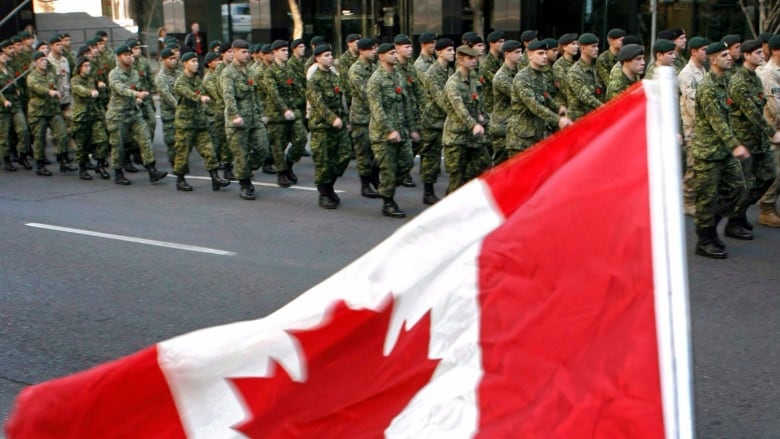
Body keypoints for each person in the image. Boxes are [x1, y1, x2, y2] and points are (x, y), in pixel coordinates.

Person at [690, 42, 748, 259]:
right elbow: (718, 122)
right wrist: (736, 145)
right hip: (708, 152)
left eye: (728, 54)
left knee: (737, 188)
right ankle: (704, 239)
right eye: (724, 55)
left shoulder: (727, 81)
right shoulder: (707, 87)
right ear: (713, 60)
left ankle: (711, 226)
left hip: (724, 149)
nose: (729, 58)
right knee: (706, 197)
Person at [726, 39, 780, 237]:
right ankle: (733, 221)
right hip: (743, 139)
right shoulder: (739, 81)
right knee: (743, 183)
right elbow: (753, 113)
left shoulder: (754, 78)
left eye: (761, 52)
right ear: (747, 56)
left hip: (757, 138)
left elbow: (761, 104)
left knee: (768, 176)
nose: (761, 55)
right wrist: (772, 132)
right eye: (756, 53)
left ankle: (739, 213)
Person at [367, 43, 418, 218]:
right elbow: (377, 109)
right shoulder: (376, 80)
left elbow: (406, 104)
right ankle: (388, 202)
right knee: (389, 169)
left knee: (407, 163)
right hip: (383, 134)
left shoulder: (398, 76)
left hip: (401, 130)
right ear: (381, 56)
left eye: (396, 53)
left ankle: (381, 183)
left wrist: (412, 129)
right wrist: (389, 130)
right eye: (391, 53)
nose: (396, 56)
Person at [105, 44, 167, 185]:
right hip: (118, 115)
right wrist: (136, 94)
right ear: (118, 57)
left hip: (133, 113)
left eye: (130, 54)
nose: (129, 57)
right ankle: (118, 173)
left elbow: (137, 86)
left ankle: (152, 170)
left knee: (145, 138)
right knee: (118, 146)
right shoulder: (114, 73)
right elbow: (120, 89)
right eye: (126, 55)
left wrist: (139, 96)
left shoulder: (134, 72)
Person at [173, 52, 230, 192]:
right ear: (184, 63)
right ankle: (180, 179)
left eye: (197, 61)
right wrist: (200, 98)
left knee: (209, 150)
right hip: (185, 124)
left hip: (200, 123)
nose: (196, 64)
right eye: (192, 61)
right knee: (182, 153)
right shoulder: (180, 81)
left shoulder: (197, 79)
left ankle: (215, 178)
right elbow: (186, 92)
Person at [221, 39, 270, 200]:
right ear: (233, 52)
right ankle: (244, 184)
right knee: (240, 153)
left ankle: (244, 170)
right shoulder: (228, 72)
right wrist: (235, 116)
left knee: (263, 149)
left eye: (247, 52)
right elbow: (228, 97)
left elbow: (254, 95)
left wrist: (261, 114)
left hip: (254, 118)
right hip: (238, 121)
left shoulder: (250, 72)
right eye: (243, 52)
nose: (247, 55)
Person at [506, 40, 572, 157]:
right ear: (530, 55)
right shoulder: (522, 78)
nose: (545, 56)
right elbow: (534, 105)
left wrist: (559, 108)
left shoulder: (542, 76)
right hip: (521, 140)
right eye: (540, 53)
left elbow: (546, 97)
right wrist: (558, 119)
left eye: (545, 53)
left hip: (537, 135)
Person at [307, 44, 352, 209]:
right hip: (322, 127)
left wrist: (345, 121)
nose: (331, 57)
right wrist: (333, 119)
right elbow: (318, 104)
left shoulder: (335, 77)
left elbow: (342, 102)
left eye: (331, 54)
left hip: (339, 125)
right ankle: (324, 192)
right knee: (323, 161)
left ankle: (329, 184)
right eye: (326, 55)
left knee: (345, 154)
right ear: (318, 58)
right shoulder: (314, 80)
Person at [441, 45, 491, 194]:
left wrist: (482, 116)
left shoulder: (473, 79)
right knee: (457, 178)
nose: (475, 61)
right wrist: (473, 124)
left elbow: (478, 103)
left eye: (475, 58)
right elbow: (459, 108)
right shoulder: (453, 83)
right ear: (461, 60)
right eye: (470, 58)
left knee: (484, 166)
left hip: (473, 137)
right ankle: (448, 210)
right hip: (456, 137)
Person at [262, 39, 308, 187]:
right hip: (276, 114)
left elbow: (299, 88)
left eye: (287, 50)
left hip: (293, 111)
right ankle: (281, 173)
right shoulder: (269, 72)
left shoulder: (289, 69)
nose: (286, 53)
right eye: (282, 50)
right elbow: (273, 93)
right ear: (274, 53)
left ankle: (288, 164)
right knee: (278, 145)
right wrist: (285, 110)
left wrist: (309, 102)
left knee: (301, 139)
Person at [419, 37, 455, 204]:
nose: (452, 53)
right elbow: (440, 98)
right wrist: (458, 114)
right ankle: (428, 192)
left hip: (448, 120)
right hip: (433, 120)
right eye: (449, 50)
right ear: (439, 52)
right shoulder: (432, 73)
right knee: (431, 158)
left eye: (453, 50)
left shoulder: (449, 71)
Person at [27, 51, 73, 175]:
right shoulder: (32, 76)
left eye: (45, 59)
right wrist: (49, 92)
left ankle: (63, 161)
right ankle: (40, 165)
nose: (45, 62)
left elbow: (54, 67)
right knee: (40, 139)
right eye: (41, 60)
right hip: (38, 112)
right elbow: (37, 87)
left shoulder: (50, 73)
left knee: (62, 134)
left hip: (53, 110)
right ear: (36, 61)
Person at [678, 36, 710, 215]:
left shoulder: (702, 71)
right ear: (694, 52)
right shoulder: (687, 74)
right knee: (692, 166)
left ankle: (694, 197)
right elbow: (692, 104)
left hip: (704, 128)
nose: (706, 53)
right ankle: (687, 200)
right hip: (693, 127)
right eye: (704, 50)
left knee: (701, 165)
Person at [347, 37, 379, 198]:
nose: (375, 51)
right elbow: (366, 94)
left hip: (375, 116)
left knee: (377, 152)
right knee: (364, 152)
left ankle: (374, 178)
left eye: (375, 48)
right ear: (362, 51)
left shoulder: (374, 67)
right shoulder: (356, 70)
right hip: (361, 118)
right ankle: (365, 184)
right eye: (371, 49)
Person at [70, 56, 110, 180]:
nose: (88, 68)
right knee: (82, 144)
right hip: (81, 116)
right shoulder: (75, 80)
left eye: (89, 66)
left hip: (94, 114)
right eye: (85, 66)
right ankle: (83, 168)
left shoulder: (92, 79)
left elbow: (99, 95)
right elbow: (80, 90)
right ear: (79, 68)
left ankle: (100, 164)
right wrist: (90, 92)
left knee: (102, 139)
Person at [757, 35, 780, 227]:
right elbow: (775, 106)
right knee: (775, 171)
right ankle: (766, 207)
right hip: (774, 130)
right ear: (774, 50)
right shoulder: (769, 74)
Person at [489, 39, 522, 165]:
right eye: (517, 52)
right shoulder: (501, 77)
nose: (520, 55)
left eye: (521, 52)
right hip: (502, 126)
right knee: (500, 166)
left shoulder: (517, 72)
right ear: (507, 54)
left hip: (512, 125)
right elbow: (519, 95)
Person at [566, 33, 603, 121]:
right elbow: (585, 96)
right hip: (579, 120)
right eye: (593, 46)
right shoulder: (575, 72)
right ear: (583, 48)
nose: (597, 49)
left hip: (592, 117)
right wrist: (604, 107)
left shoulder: (593, 67)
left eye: (597, 46)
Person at [155, 48, 179, 166]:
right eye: (171, 59)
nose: (174, 61)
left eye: (174, 58)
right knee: (171, 139)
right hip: (169, 112)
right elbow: (167, 95)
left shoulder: (178, 74)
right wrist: (179, 107)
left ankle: (180, 159)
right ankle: (173, 160)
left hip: (181, 112)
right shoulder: (161, 76)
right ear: (164, 60)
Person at [481, 30, 505, 115]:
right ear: (491, 43)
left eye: (503, 41)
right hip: (490, 106)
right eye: (500, 42)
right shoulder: (487, 63)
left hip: (500, 104)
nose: (503, 44)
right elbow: (498, 81)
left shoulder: (501, 60)